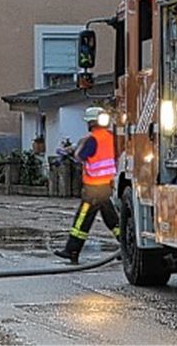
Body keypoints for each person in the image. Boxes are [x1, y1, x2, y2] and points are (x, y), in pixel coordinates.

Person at [54, 106, 120, 264]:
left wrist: (68, 153)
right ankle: (126, 245)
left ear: (90, 123)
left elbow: (81, 156)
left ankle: (72, 250)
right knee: (111, 218)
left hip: (93, 188)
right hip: (107, 185)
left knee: (82, 219)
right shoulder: (111, 137)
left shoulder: (91, 139)